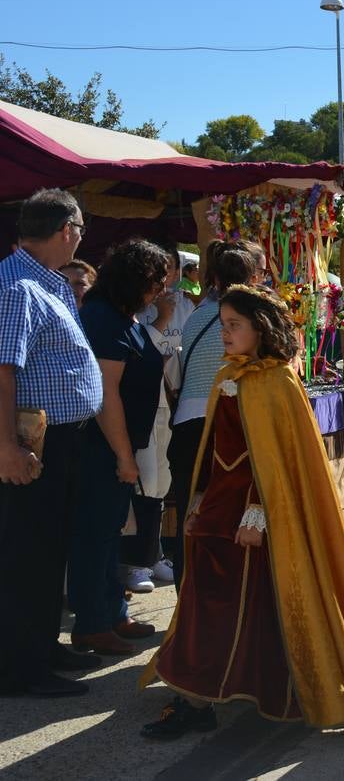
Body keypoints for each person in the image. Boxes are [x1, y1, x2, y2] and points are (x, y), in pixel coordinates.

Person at [141, 285, 344, 739]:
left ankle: (210, 697)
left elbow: (279, 462)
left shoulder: (277, 382)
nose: (224, 333)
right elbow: (218, 450)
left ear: (259, 328)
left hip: (249, 519)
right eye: (223, 325)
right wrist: (200, 496)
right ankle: (200, 693)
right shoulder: (232, 374)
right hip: (217, 512)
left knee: (243, 607)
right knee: (205, 605)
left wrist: (257, 515)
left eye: (233, 326)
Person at [0, 189, 103, 698]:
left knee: (48, 550)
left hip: (57, 439)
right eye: (81, 228)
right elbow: (3, 371)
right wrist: (6, 448)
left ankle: (40, 644)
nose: (83, 237)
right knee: (28, 555)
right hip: (33, 441)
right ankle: (21, 666)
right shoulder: (19, 286)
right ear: (66, 231)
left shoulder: (43, 282)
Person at [66, 240, 170, 658]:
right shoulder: (104, 320)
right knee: (95, 536)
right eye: (157, 280)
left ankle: (111, 612)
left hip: (114, 446)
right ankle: (92, 624)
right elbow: (106, 393)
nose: (162, 288)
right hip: (99, 448)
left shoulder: (118, 316)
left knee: (110, 534)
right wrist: (125, 457)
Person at [163, 241, 266, 588]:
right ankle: (220, 604)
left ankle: (187, 602)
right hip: (225, 425)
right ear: (251, 277)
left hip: (187, 424)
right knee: (225, 514)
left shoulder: (195, 317)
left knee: (191, 517)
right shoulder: (247, 318)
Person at [122, 244, 197, 594]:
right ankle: (136, 563)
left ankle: (153, 555)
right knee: (146, 481)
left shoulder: (186, 304)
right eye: (161, 271)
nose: (168, 278)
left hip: (171, 403)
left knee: (162, 483)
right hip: (144, 408)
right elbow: (143, 355)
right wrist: (163, 320)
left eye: (172, 269)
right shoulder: (136, 308)